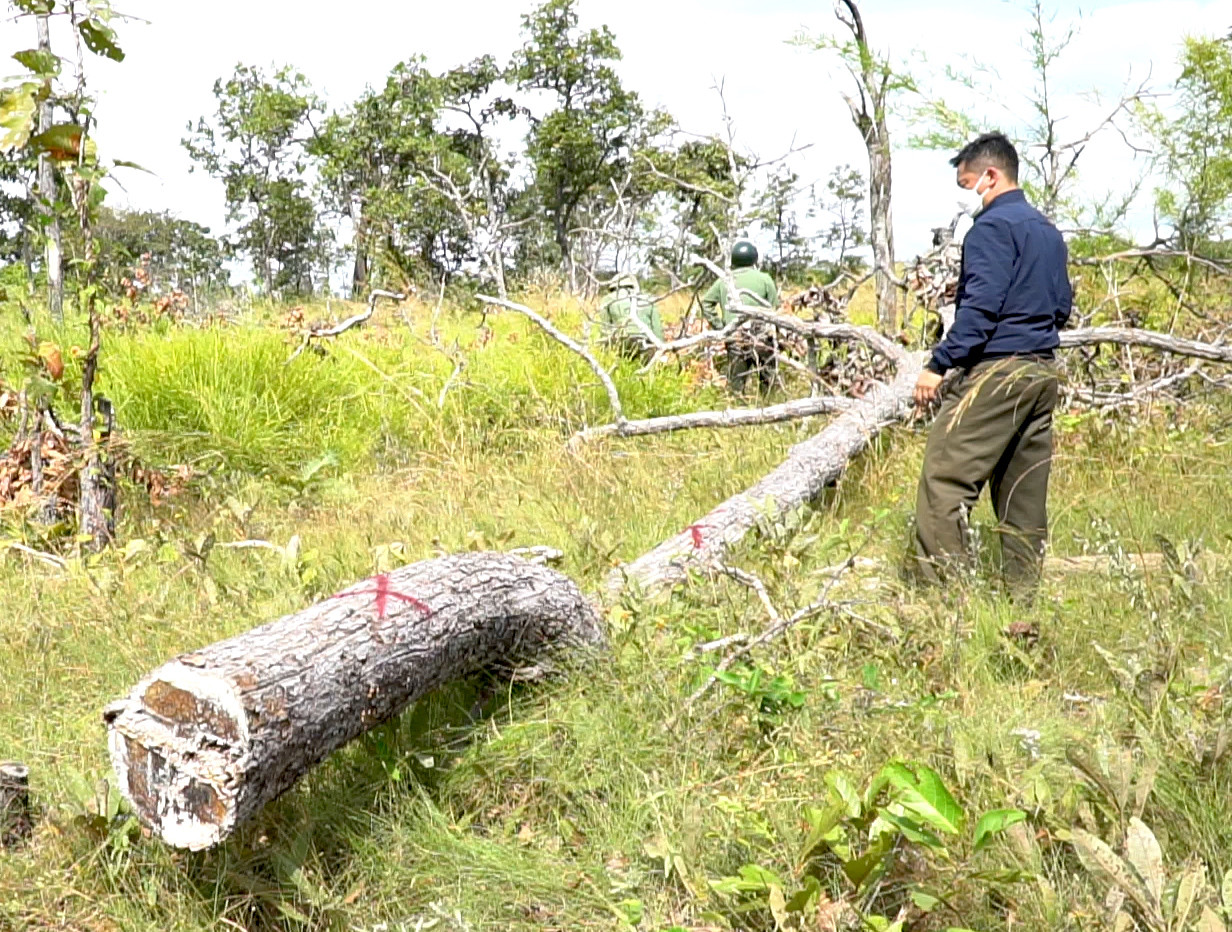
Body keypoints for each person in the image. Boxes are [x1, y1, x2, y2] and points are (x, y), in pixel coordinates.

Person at [907, 132, 1073, 598]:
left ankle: (946, 603)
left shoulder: (991, 229)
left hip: (999, 371)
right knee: (1023, 496)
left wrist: (939, 365)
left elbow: (980, 310)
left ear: (992, 176)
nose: (968, 194)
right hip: (1042, 371)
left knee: (944, 478)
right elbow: (1062, 305)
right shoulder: (1046, 231)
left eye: (968, 184)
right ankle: (1020, 604)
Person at [700, 240, 780, 393]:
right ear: (754, 258)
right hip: (762, 337)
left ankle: (736, 413)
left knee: (736, 386)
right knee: (768, 384)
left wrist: (722, 327)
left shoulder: (724, 281)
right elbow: (774, 308)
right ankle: (768, 410)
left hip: (735, 337)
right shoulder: (765, 279)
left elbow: (706, 303)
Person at [597, 274, 663, 361]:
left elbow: (605, 329)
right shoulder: (649, 298)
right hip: (646, 342)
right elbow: (657, 329)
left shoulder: (608, 299)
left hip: (621, 342)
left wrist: (603, 353)